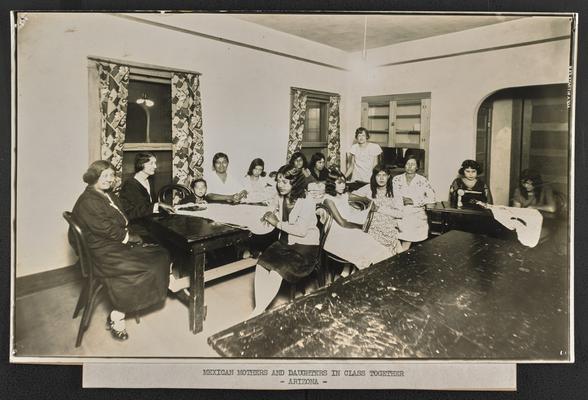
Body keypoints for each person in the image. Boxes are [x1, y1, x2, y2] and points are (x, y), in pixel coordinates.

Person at [70, 161, 170, 341]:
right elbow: (109, 230)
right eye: (104, 176)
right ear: (94, 177)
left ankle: (123, 307)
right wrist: (132, 238)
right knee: (150, 264)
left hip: (110, 245)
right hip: (101, 252)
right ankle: (117, 316)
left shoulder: (104, 194)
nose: (109, 179)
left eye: (112, 175)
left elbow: (122, 218)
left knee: (160, 253)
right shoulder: (89, 201)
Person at [251, 164, 320, 316]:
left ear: (295, 183)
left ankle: (256, 314)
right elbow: (273, 204)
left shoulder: (307, 201)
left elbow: (301, 231)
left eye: (285, 182)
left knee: (277, 271)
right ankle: (259, 309)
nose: (280, 185)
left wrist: (276, 223)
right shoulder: (280, 194)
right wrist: (269, 211)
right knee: (261, 263)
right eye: (278, 181)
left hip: (305, 246)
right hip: (285, 242)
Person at [321, 168, 395, 273]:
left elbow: (363, 199)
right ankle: (359, 273)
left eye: (344, 182)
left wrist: (370, 201)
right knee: (365, 246)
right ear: (332, 183)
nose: (343, 185)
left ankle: (382, 272)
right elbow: (342, 222)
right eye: (339, 183)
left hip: (349, 228)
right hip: (337, 232)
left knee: (377, 246)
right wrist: (360, 227)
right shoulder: (328, 199)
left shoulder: (345, 195)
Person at [351, 165, 404, 256]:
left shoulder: (395, 190)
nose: (381, 178)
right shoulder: (369, 188)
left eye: (384, 175)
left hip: (388, 223)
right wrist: (365, 201)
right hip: (371, 222)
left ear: (388, 176)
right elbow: (352, 196)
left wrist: (379, 209)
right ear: (374, 177)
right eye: (378, 175)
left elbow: (400, 213)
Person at [392, 155, 436, 250]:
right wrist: (400, 200)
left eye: (413, 164)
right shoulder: (396, 179)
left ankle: (401, 251)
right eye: (408, 164)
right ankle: (400, 251)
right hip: (399, 209)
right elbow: (391, 194)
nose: (410, 166)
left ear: (417, 167)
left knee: (409, 222)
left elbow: (431, 197)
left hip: (416, 211)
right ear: (404, 165)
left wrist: (414, 201)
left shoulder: (422, 180)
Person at [119, 152, 175, 221]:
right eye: (151, 163)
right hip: (137, 225)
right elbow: (134, 212)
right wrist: (158, 205)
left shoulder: (149, 181)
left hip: (150, 220)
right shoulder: (130, 185)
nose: (155, 166)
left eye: (155, 163)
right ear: (141, 164)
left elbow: (150, 205)